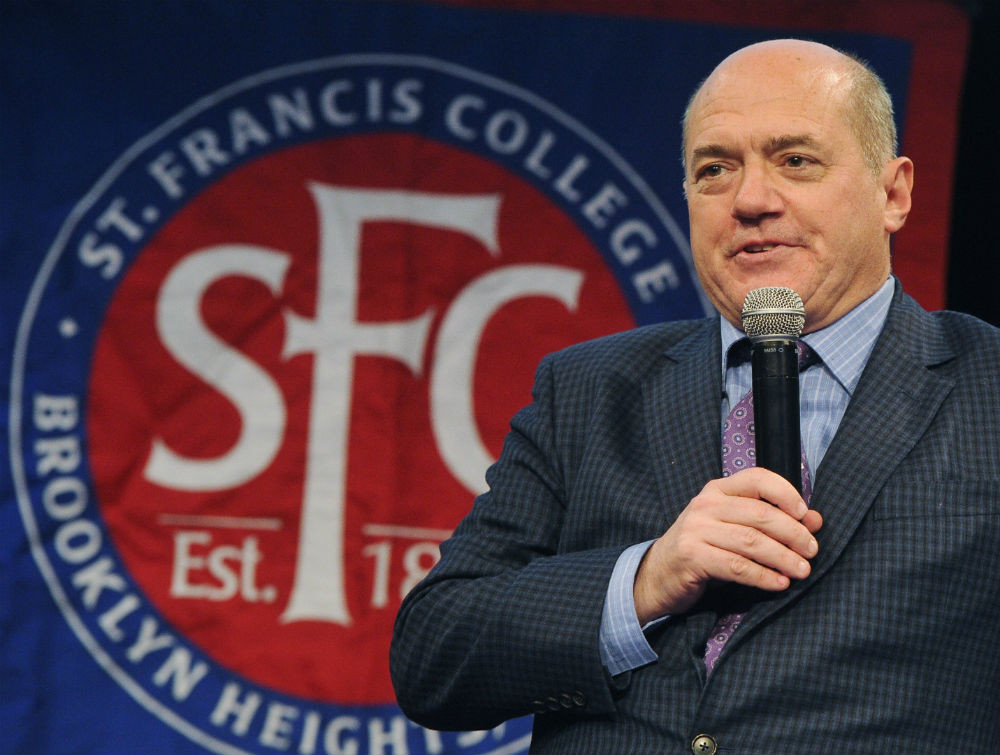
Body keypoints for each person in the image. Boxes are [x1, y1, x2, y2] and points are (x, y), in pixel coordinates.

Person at [390, 39, 1000, 754]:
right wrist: (645, 579)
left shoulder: (986, 386)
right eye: (715, 170)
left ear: (892, 193)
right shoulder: (587, 389)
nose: (751, 200)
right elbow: (434, 654)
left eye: (795, 160)